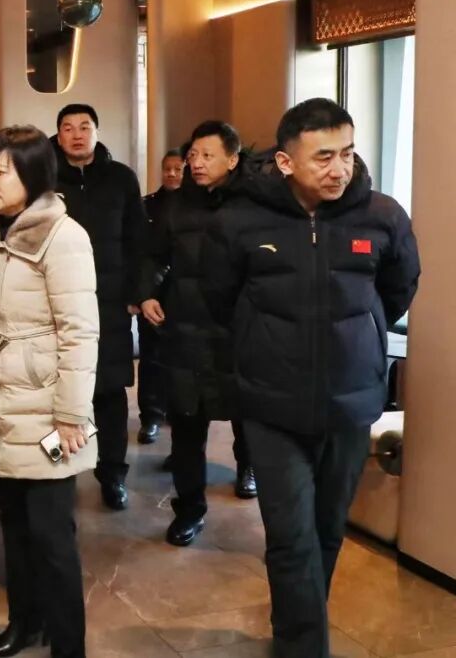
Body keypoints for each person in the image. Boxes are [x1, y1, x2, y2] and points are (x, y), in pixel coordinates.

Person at [202, 99, 420, 657]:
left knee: (325, 532)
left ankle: (295, 628)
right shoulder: (239, 222)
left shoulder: (382, 216)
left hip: (351, 403)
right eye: (323, 156)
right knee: (291, 537)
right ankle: (304, 647)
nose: (338, 168)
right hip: (272, 406)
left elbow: (397, 288)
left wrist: (362, 333)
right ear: (285, 161)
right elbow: (219, 299)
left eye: (347, 153)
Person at [0, 126, 98, 658]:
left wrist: (71, 414)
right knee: (13, 524)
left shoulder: (63, 236)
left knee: (52, 535)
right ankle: (25, 622)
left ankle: (68, 646)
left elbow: (80, 332)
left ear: (31, 174)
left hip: (48, 412)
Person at [139, 122, 255, 548]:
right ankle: (189, 509)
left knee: (246, 415)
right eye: (193, 156)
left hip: (238, 332)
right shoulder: (175, 205)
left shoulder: (252, 206)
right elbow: (153, 255)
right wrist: (147, 292)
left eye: (208, 155)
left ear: (232, 159)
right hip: (185, 330)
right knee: (187, 425)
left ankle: (248, 468)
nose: (198, 163)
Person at [55, 103, 145, 511]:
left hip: (109, 304)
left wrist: (136, 292)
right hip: (58, 305)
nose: (77, 134)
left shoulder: (121, 178)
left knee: (109, 394)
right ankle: (58, 471)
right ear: (58, 135)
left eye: (84, 127)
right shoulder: (45, 179)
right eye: (68, 128)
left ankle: (113, 475)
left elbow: (137, 240)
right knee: (60, 392)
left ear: (96, 131)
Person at [136, 149, 183, 445]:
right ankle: (151, 416)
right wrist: (140, 294)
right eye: (168, 168)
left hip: (185, 294)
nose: (172, 174)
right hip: (153, 293)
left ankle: (177, 415)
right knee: (151, 358)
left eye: (178, 169)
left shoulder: (197, 207)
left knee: (179, 360)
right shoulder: (147, 205)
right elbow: (140, 252)